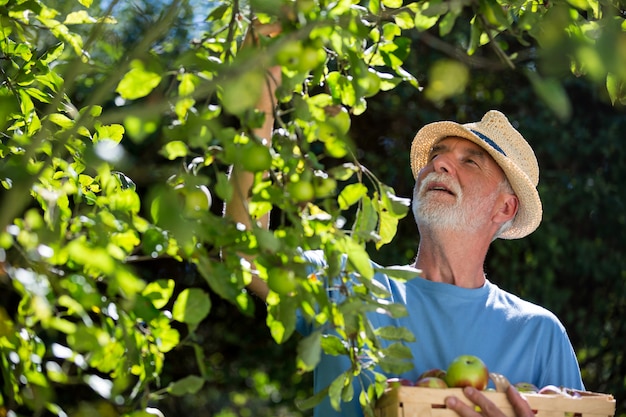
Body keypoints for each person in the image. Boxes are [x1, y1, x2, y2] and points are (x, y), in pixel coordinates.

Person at [223, 32, 584, 417]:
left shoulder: (538, 334)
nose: (440, 164)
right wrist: (261, 96)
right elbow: (243, 252)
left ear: (505, 208)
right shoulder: (349, 286)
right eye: (440, 154)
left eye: (470, 161)